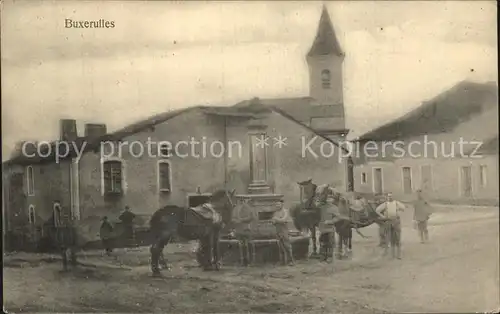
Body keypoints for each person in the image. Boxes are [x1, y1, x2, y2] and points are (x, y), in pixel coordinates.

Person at [375, 192, 406, 259]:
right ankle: (392, 255)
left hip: (396, 222)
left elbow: (403, 208)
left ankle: (399, 255)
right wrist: (383, 216)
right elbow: (377, 210)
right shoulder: (385, 204)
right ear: (387, 197)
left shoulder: (396, 203)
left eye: (391, 196)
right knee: (391, 239)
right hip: (388, 221)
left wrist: (398, 212)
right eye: (389, 196)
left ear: (393, 197)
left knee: (398, 238)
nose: (390, 197)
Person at [232, 200, 256, 266]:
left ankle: (251, 261)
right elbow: (233, 218)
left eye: (242, 199)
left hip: (247, 229)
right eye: (239, 199)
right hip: (239, 230)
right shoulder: (235, 208)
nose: (240, 201)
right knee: (242, 245)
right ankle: (244, 261)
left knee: (249, 244)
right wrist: (235, 221)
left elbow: (251, 217)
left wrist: (241, 220)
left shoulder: (248, 207)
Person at [271, 200, 295, 266]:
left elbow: (284, 220)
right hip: (278, 231)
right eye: (276, 204)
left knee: (287, 246)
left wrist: (276, 219)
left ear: (282, 204)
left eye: (278, 204)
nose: (277, 206)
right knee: (280, 247)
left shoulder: (285, 211)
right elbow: (273, 221)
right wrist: (276, 220)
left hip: (284, 231)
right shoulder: (275, 213)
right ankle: (283, 261)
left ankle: (291, 261)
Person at [318, 194, 337, 263]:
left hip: (330, 229)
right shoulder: (321, 207)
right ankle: (323, 256)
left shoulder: (334, 208)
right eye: (328, 198)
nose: (329, 200)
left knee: (330, 243)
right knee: (322, 243)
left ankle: (329, 257)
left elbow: (338, 217)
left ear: (333, 200)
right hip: (322, 229)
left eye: (330, 199)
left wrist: (331, 221)